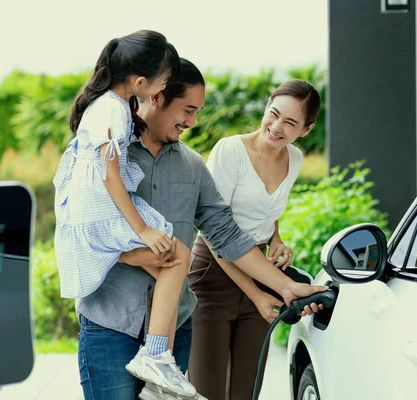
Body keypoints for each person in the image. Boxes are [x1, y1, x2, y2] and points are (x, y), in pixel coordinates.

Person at [70, 57, 327, 400]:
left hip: (177, 327)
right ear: (158, 97)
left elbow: (226, 232)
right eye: (188, 110)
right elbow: (81, 227)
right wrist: (133, 254)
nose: (193, 121)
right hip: (110, 326)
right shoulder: (109, 155)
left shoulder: (192, 166)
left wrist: (286, 286)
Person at [53, 31, 201, 398]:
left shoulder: (107, 106)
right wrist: (142, 228)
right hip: (101, 210)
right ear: (140, 82)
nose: (163, 88)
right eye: (163, 82)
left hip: (91, 211)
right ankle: (155, 357)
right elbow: (110, 174)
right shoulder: (112, 110)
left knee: (165, 262)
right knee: (178, 254)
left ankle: (156, 367)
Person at [187, 79, 321, 399]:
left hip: (262, 272)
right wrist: (257, 293)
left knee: (247, 390)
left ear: (306, 129)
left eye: (290, 122)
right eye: (273, 114)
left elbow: (268, 206)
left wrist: (276, 238)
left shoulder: (296, 159)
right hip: (214, 272)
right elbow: (216, 230)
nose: (276, 127)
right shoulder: (231, 151)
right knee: (207, 391)